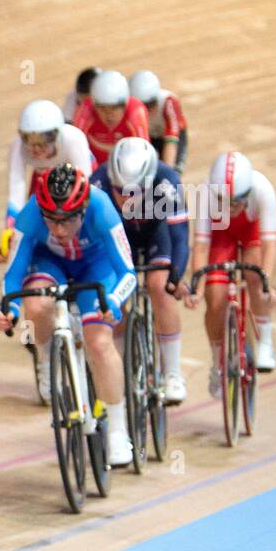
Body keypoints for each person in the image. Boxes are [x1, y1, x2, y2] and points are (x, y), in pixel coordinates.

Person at [0, 164, 137, 467]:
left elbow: (128, 272)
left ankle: (117, 430)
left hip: (96, 266)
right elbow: (13, 276)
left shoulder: (103, 210)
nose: (59, 229)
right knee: (36, 304)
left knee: (99, 342)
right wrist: (10, 309)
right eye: (52, 220)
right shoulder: (31, 215)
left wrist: (113, 300)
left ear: (83, 209)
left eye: (67, 219)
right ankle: (48, 357)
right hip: (51, 264)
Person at [90, 137, 191, 403]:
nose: (126, 198)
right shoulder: (97, 183)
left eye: (134, 191)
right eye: (120, 190)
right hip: (120, 239)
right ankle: (122, 364)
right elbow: (90, 243)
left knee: (160, 286)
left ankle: (172, 373)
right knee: (115, 296)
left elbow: (180, 237)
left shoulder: (167, 182)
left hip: (156, 235)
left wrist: (176, 276)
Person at [191, 152, 276, 389]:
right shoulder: (206, 193)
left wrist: (266, 285)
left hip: (252, 233)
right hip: (222, 236)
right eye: (222, 200)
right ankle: (217, 362)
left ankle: (265, 342)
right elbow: (201, 246)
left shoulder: (263, 189)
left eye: (236, 202)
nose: (229, 207)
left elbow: (269, 243)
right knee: (215, 298)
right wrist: (197, 289)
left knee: (255, 276)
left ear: (248, 194)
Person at [0, 99, 94, 262]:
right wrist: (11, 229)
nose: (35, 149)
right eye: (29, 140)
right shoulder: (18, 147)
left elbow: (85, 185)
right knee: (34, 216)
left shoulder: (74, 139)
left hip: (76, 177)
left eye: (43, 142)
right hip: (45, 177)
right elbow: (16, 191)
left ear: (58, 135)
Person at [73, 70, 150, 168]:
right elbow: (74, 146)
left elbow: (144, 152)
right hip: (96, 169)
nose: (109, 114)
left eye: (114, 108)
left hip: (128, 168)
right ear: (94, 105)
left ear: (125, 105)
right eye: (102, 108)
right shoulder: (86, 109)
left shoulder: (136, 111)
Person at [128, 70, 188, 172]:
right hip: (148, 136)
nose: (150, 110)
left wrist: (168, 174)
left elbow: (171, 142)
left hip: (171, 136)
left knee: (173, 172)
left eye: (152, 103)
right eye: (145, 106)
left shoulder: (169, 102)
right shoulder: (127, 106)